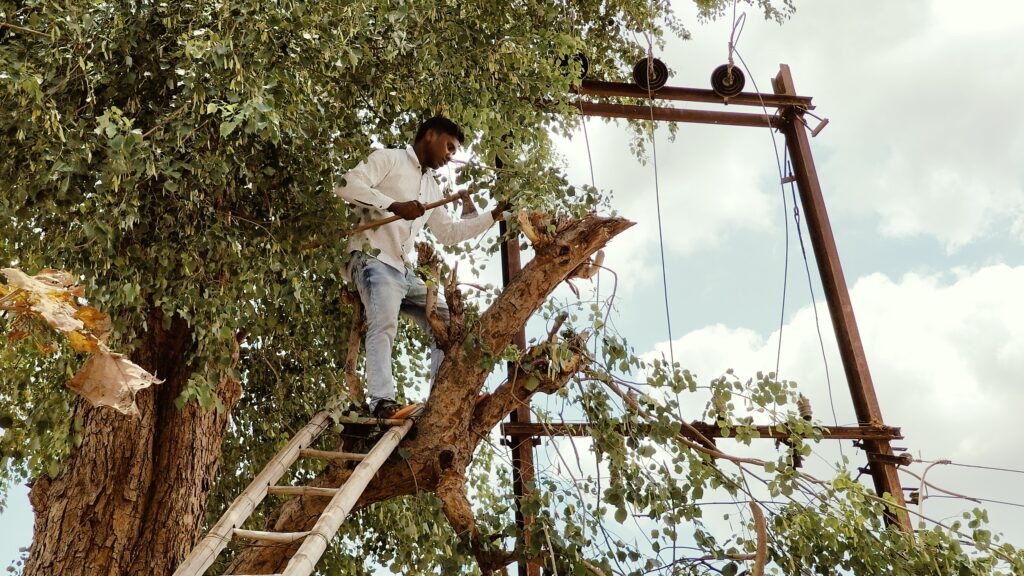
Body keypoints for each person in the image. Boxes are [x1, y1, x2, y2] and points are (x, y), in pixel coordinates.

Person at [335, 116, 505, 419]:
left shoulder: (431, 186)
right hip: (373, 259)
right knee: (384, 323)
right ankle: (382, 403)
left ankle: (444, 397)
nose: (450, 156)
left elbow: (449, 233)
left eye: (455, 152)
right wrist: (393, 205)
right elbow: (346, 185)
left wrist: (493, 216)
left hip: (403, 270)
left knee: (450, 321)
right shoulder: (389, 158)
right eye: (449, 146)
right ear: (430, 135)